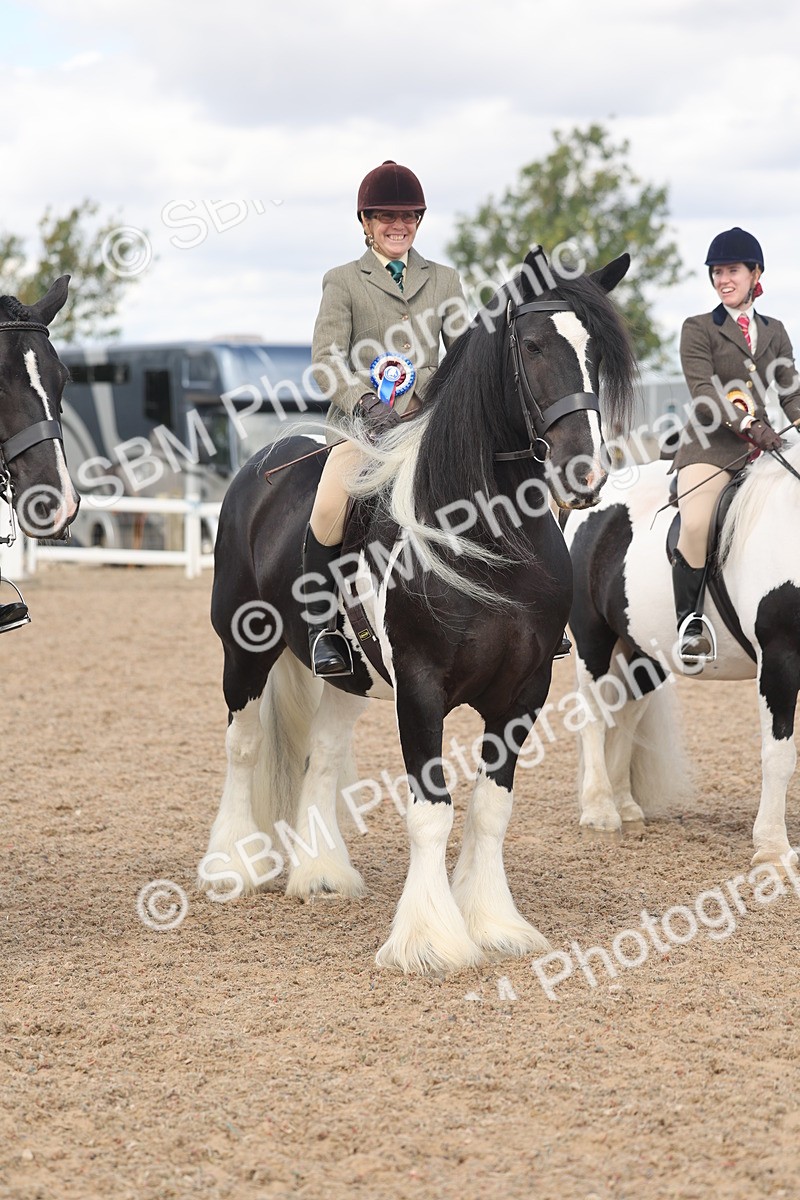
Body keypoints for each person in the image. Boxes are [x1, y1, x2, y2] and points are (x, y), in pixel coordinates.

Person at [304, 159, 469, 677]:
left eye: (408, 216)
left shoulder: (444, 280)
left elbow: (465, 358)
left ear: (419, 220)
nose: (398, 226)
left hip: (429, 426)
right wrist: (366, 402)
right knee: (328, 509)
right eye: (386, 217)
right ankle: (324, 628)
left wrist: (436, 398)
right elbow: (325, 361)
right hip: (363, 428)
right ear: (366, 222)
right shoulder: (343, 281)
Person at [672, 226, 800, 662]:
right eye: (717, 272)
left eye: (732, 271)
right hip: (710, 450)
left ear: (755, 273)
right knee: (696, 523)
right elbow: (703, 392)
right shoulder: (698, 328)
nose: (723, 280)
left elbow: (791, 393)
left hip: (764, 452)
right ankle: (690, 625)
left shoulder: (775, 330)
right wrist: (748, 422)